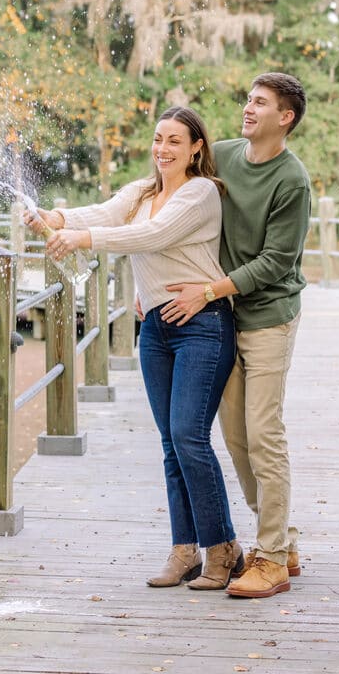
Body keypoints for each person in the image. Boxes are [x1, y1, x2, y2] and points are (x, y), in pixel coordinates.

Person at [28, 106, 244, 591]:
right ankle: (184, 550)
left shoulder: (202, 193)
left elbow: (151, 235)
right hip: (157, 330)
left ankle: (223, 549)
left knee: (190, 437)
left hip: (203, 325)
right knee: (171, 444)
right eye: (157, 139)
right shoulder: (143, 191)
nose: (162, 149)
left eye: (174, 141)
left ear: (196, 148)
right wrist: (55, 216)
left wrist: (79, 238)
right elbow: (106, 212)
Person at [160, 72, 311, 599]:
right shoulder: (221, 155)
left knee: (264, 434)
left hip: (267, 315)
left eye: (261, 102)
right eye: (248, 99)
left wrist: (209, 289)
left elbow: (277, 261)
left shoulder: (291, 180)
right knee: (238, 440)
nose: (248, 108)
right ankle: (283, 539)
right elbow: (168, 194)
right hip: (221, 317)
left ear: (284, 117)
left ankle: (268, 559)